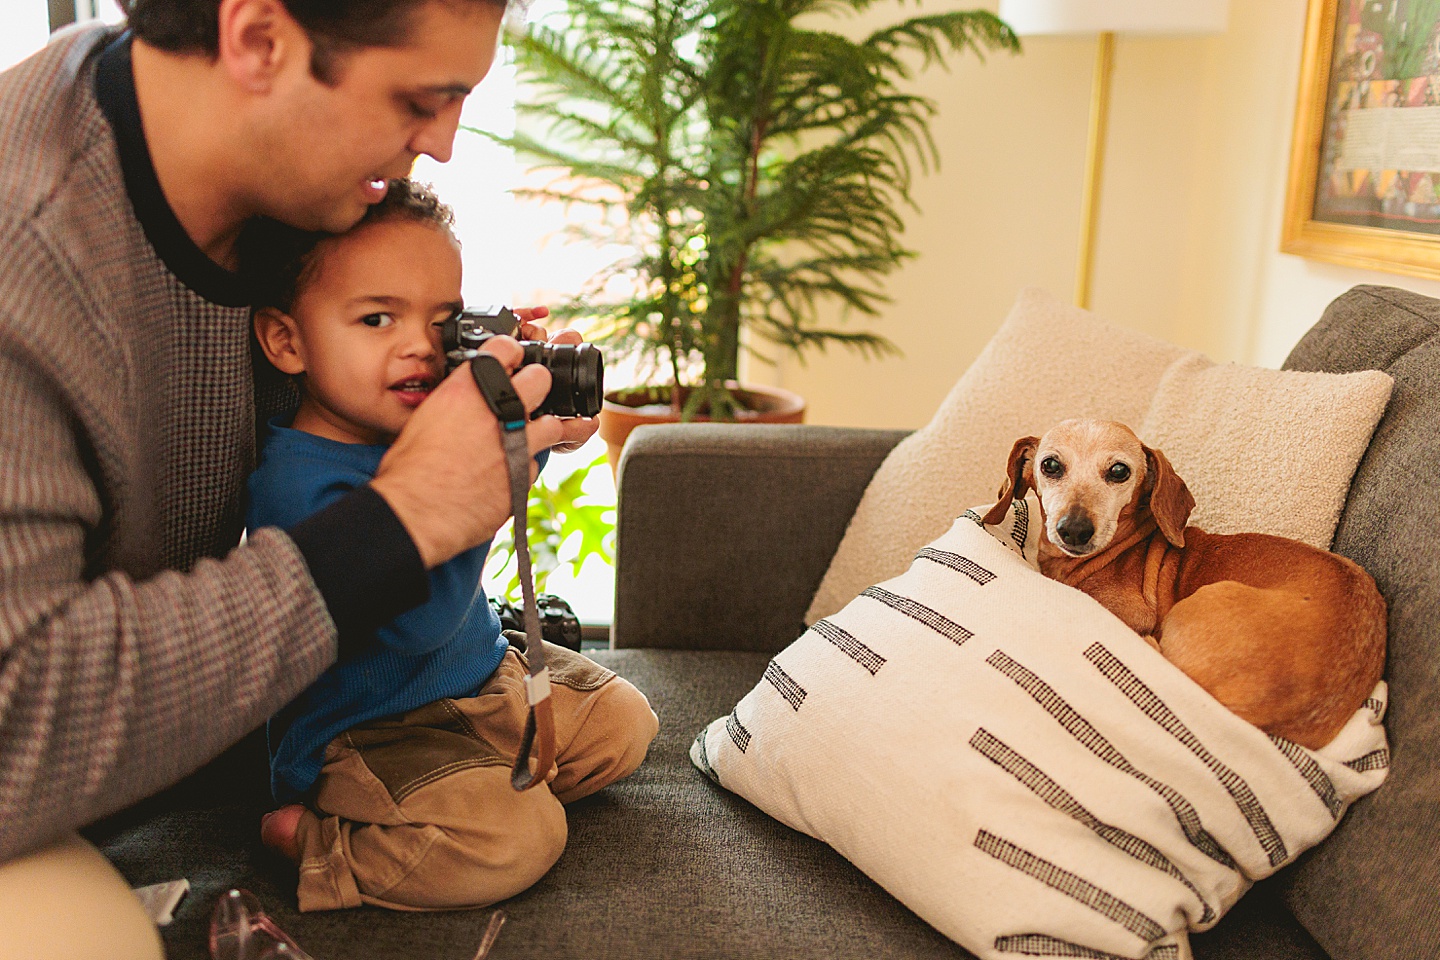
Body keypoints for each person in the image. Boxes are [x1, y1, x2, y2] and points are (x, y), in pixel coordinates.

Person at [0, 0, 595, 954]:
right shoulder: (27, 261)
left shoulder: (264, 184)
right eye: (420, 98)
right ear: (259, 39)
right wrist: (404, 520)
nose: (441, 145)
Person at [245, 178, 657, 912]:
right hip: (371, 730)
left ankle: (474, 781)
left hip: (479, 679)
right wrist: (499, 476)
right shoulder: (296, 484)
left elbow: (488, 486)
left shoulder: (428, 421)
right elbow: (419, 621)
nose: (418, 348)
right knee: (521, 839)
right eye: (376, 319)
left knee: (627, 724)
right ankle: (317, 842)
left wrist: (545, 425)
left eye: (443, 323)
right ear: (287, 340)